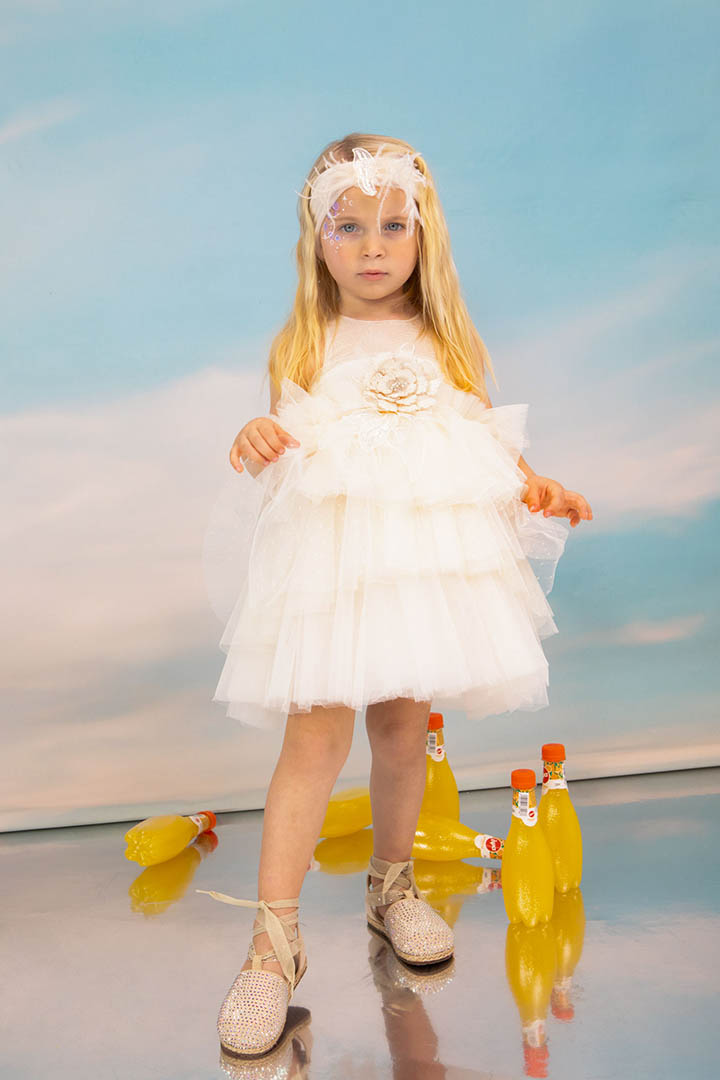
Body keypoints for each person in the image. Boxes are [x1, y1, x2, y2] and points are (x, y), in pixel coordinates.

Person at [196, 133, 593, 1059]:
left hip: (416, 567)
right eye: (350, 227)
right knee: (315, 738)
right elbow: (290, 446)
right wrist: (257, 432)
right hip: (335, 564)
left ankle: (392, 883)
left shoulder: (447, 341)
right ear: (318, 238)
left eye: (392, 226)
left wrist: (534, 484)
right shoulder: (306, 341)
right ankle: (273, 943)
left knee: (404, 728)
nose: (373, 247)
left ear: (423, 234)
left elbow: (478, 441)